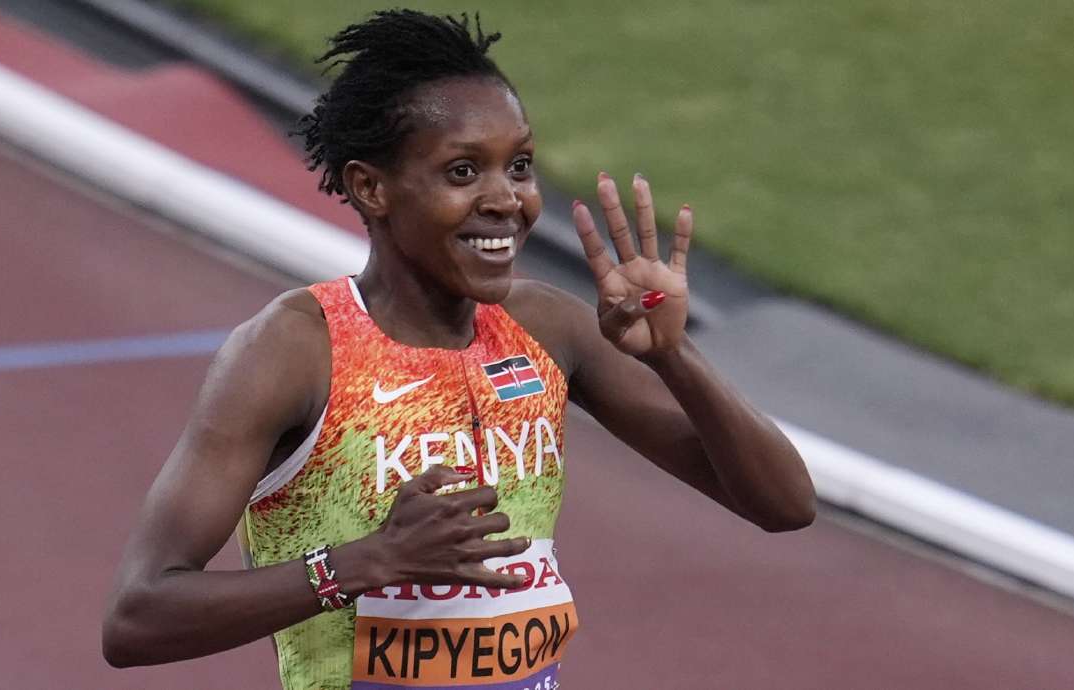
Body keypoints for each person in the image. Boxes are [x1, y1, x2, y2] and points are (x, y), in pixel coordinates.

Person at [102, 9, 815, 689]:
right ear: (370, 187)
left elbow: (784, 504)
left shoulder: (545, 326)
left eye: (521, 165)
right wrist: (363, 562)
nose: (508, 199)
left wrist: (673, 357)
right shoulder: (295, 349)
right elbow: (137, 617)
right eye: (463, 172)